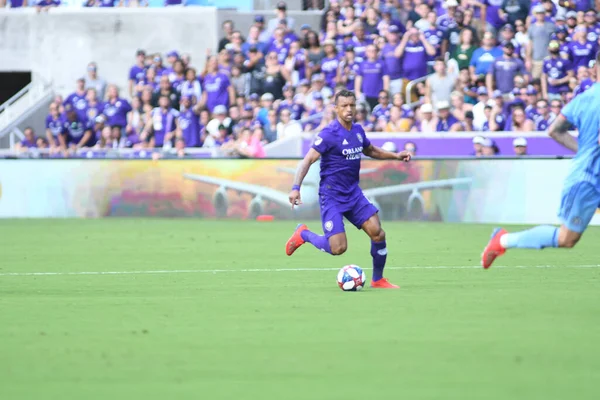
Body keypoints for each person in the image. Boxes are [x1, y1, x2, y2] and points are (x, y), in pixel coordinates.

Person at [481, 52, 600, 268]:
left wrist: (584, 149)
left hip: (588, 173)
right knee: (567, 238)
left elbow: (554, 130)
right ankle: (503, 240)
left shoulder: (582, 99)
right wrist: (587, 151)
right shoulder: (588, 99)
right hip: (588, 179)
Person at [285, 89, 412, 289]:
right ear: (336, 109)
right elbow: (308, 160)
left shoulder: (358, 131)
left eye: (352, 105)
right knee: (338, 248)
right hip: (331, 195)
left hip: (353, 193)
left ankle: (378, 279)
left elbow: (371, 151)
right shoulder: (328, 134)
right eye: (344, 106)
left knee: (378, 233)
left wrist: (396, 156)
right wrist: (295, 188)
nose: (349, 109)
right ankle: (304, 235)